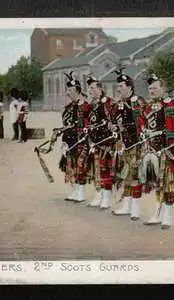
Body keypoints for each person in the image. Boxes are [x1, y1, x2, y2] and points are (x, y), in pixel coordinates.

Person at [140, 73, 174, 230]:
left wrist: (169, 149)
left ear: (162, 88)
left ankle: (168, 216)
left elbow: (172, 130)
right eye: (150, 88)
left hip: (166, 150)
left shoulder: (169, 105)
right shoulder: (149, 106)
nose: (151, 91)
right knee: (158, 183)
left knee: (168, 184)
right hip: (152, 149)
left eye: (155, 88)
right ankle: (158, 212)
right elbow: (144, 123)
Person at [110, 68, 147, 221]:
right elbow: (113, 120)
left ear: (130, 87)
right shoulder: (119, 104)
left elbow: (143, 123)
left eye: (122, 87)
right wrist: (112, 126)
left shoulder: (137, 101)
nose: (119, 89)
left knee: (135, 176)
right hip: (123, 145)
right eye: (118, 87)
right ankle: (127, 205)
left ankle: (135, 208)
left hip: (136, 144)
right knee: (125, 175)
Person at [85, 74, 116, 210]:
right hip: (95, 143)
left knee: (105, 170)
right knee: (97, 170)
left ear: (99, 88)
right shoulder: (92, 105)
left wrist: (111, 144)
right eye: (89, 88)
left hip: (106, 143)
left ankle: (107, 198)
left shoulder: (108, 103)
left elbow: (113, 123)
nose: (90, 91)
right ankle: (100, 195)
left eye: (92, 88)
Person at [59, 71, 91, 202]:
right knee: (71, 165)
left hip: (81, 140)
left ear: (77, 91)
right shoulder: (67, 107)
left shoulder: (85, 106)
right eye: (67, 89)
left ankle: (81, 192)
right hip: (70, 141)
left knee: (80, 165)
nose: (67, 92)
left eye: (70, 89)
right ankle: (76, 190)